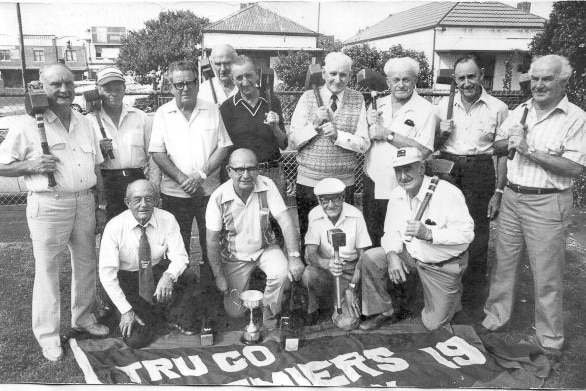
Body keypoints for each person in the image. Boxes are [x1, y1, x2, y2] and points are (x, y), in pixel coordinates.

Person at [0, 63, 109, 361]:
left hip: (84, 200)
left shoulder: (85, 122)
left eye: (68, 84)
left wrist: (99, 203)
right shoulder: (26, 124)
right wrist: (31, 166)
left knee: (86, 263)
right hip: (49, 204)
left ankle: (83, 318)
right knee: (47, 270)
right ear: (41, 87)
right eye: (55, 85)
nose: (64, 90)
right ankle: (48, 335)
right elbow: (2, 165)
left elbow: (96, 165)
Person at [482, 55, 586, 361]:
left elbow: (574, 167)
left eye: (547, 79)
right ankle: (496, 318)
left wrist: (529, 150)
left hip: (547, 200)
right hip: (514, 197)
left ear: (563, 82)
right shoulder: (521, 109)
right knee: (504, 263)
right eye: (535, 79)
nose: (538, 85)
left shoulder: (576, 117)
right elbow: (499, 147)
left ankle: (550, 337)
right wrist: (507, 144)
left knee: (547, 273)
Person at [359, 147, 474, 331]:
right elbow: (390, 233)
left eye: (408, 169)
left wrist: (430, 234)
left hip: (441, 264)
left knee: (433, 325)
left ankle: (453, 297)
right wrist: (391, 255)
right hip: (412, 255)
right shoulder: (397, 193)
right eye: (398, 171)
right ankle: (384, 311)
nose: (403, 176)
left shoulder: (448, 193)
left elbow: (467, 234)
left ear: (421, 168)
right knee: (371, 258)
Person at [435, 54, 509, 314]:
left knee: (477, 234)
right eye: (461, 78)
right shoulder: (442, 105)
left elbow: (502, 154)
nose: (466, 82)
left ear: (481, 74)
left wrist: (498, 191)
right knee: (445, 230)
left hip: (480, 171)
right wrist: (439, 133)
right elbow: (431, 146)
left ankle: (473, 301)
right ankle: (445, 294)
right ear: (454, 80)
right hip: (449, 169)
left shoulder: (498, 108)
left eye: (471, 76)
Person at [149, 60, 232, 266]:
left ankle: (210, 293)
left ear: (197, 83)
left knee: (211, 246)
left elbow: (223, 146)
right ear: (171, 87)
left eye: (190, 82)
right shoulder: (162, 113)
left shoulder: (213, 110)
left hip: (209, 193)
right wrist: (182, 179)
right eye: (179, 84)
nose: (185, 88)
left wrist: (200, 175)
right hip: (175, 194)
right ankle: (181, 294)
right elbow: (157, 152)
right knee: (176, 248)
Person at [205, 149, 304, 322]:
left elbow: (286, 222)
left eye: (251, 169)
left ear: (258, 169)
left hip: (265, 249)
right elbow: (211, 241)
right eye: (239, 169)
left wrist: (294, 257)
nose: (246, 175)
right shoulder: (217, 198)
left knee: (282, 272)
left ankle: (269, 313)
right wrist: (219, 276)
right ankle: (252, 287)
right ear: (229, 171)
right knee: (235, 312)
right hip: (234, 257)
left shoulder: (267, 185)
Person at [99, 180, 198, 337]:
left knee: (188, 275)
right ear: (127, 202)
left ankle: (174, 316)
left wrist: (168, 276)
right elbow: (107, 274)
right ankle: (135, 312)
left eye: (149, 199)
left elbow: (180, 256)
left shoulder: (168, 219)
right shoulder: (114, 227)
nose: (143, 205)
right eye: (137, 199)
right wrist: (126, 310)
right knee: (136, 339)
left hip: (156, 272)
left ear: (157, 201)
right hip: (127, 279)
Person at [289, 52, 370, 240]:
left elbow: (364, 143)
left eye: (343, 75)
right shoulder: (307, 98)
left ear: (350, 76)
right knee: (310, 237)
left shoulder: (358, 99)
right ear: (324, 73)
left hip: (344, 183)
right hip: (309, 182)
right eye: (333, 73)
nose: (337, 79)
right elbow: (293, 141)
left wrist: (338, 135)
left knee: (343, 236)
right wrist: (314, 124)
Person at [364, 57, 436, 247]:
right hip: (373, 182)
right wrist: (366, 125)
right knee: (373, 236)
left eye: (406, 79)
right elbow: (363, 141)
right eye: (396, 80)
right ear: (388, 82)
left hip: (405, 185)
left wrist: (387, 134)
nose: (401, 84)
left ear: (415, 81)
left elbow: (424, 150)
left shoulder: (426, 109)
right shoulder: (376, 104)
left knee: (401, 239)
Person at [301, 178, 371, 326]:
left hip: (350, 272)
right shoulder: (314, 215)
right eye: (325, 200)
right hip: (326, 269)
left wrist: (352, 287)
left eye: (335, 199)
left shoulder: (356, 215)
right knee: (309, 274)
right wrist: (327, 263)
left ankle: (343, 299)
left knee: (347, 324)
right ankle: (318, 307)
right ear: (318, 200)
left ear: (343, 197)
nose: (331, 205)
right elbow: (311, 253)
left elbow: (363, 256)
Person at [220, 55, 288, 198]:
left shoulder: (272, 101)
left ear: (257, 75)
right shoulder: (227, 108)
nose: (245, 82)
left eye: (249, 76)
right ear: (232, 80)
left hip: (272, 173)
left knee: (275, 219)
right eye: (239, 78)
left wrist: (275, 128)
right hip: (242, 176)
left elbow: (283, 144)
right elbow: (225, 150)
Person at [92, 66, 154, 220]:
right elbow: (87, 160)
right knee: (110, 229)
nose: (113, 93)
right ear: (97, 89)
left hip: (137, 178)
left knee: (139, 227)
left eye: (118, 88)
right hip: (106, 182)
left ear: (124, 88)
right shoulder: (89, 121)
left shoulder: (140, 117)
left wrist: (153, 184)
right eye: (107, 88)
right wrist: (100, 152)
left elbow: (152, 155)